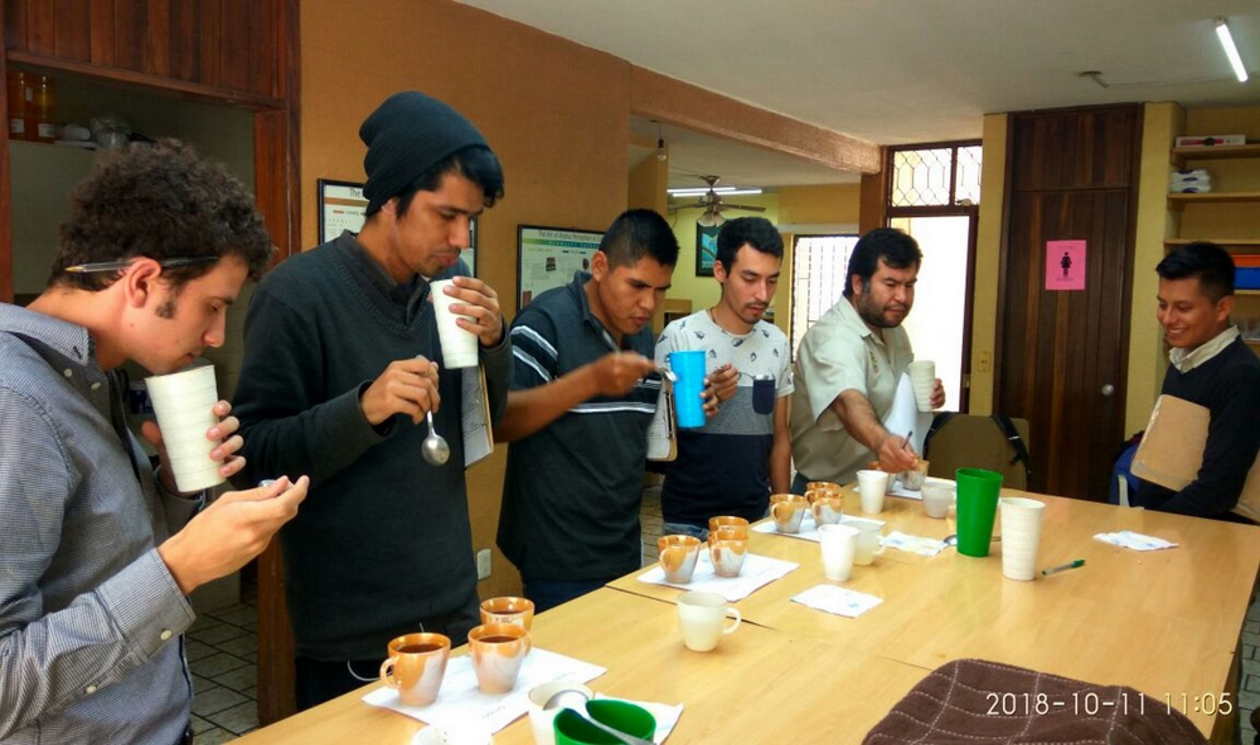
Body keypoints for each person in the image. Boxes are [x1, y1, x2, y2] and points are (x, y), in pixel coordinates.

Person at [0, 141, 307, 743]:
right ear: (142, 281)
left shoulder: (96, 378)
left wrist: (170, 482)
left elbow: (97, 561)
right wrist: (181, 568)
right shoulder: (16, 400)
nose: (217, 336)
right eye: (212, 307)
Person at [231, 91, 511, 709]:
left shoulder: (445, 293)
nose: (460, 238)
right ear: (390, 199)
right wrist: (361, 410)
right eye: (446, 215)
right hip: (352, 634)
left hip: (453, 606)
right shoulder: (296, 295)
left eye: (470, 219)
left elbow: (488, 421)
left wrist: (495, 343)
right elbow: (253, 459)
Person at [496, 209, 731, 612]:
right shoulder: (546, 323)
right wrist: (589, 380)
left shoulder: (640, 335)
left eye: (660, 290)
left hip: (622, 544)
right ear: (600, 266)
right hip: (557, 554)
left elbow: (630, 435)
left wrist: (684, 412)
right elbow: (502, 421)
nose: (648, 303)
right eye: (637, 285)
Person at [654, 217, 793, 539]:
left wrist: (783, 514)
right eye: (750, 278)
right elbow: (658, 436)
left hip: (755, 520)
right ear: (721, 271)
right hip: (689, 522)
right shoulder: (681, 336)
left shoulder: (777, 342)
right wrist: (701, 401)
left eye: (772, 280)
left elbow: (780, 436)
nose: (763, 294)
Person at [790, 227, 945, 492]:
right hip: (829, 492)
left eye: (909, 285)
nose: (902, 297)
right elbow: (848, 401)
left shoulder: (894, 330)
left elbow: (896, 392)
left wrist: (928, 395)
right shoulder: (833, 337)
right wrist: (883, 443)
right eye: (891, 284)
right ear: (858, 284)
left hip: (882, 485)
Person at [1135, 242, 1260, 520]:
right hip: (1165, 526)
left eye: (1183, 307)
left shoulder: (1242, 376)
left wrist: (1156, 524)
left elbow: (1218, 489)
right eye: (1162, 304)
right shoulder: (1182, 358)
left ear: (1222, 307)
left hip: (1202, 533)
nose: (1168, 319)